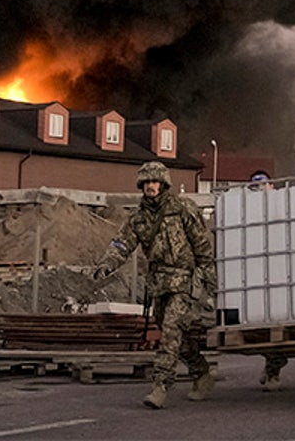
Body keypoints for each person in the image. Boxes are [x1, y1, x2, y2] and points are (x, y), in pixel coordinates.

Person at [94, 161, 217, 409]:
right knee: (173, 336)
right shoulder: (138, 218)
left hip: (183, 281)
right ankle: (201, 372)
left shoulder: (182, 209)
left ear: (163, 184)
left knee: (171, 331)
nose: (151, 186)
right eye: (147, 182)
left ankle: (160, 386)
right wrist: (106, 265)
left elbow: (202, 246)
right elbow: (122, 244)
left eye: (155, 182)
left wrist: (208, 280)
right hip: (159, 284)